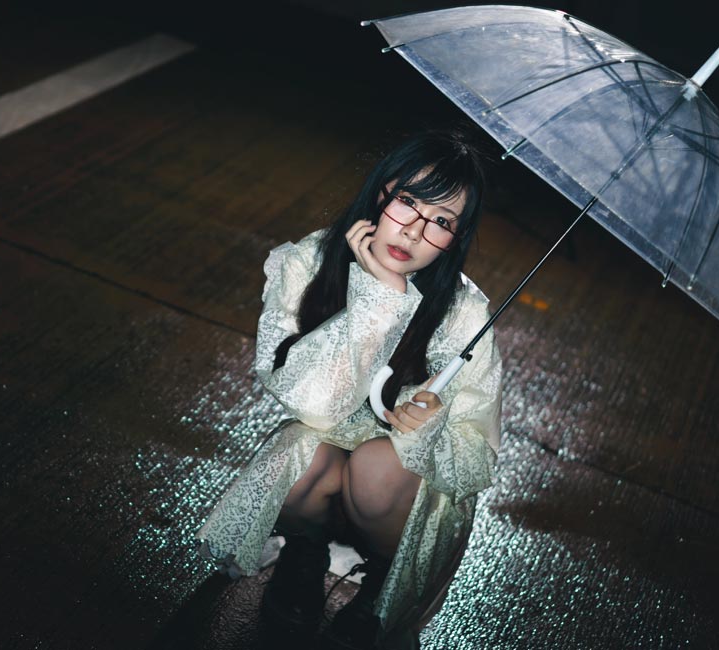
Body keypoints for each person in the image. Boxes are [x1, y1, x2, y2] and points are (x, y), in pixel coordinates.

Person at [196, 124, 503, 649]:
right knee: (302, 449)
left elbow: (478, 461)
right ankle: (304, 553)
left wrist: (426, 430)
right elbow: (308, 403)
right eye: (407, 202)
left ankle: (382, 590)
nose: (412, 232)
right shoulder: (306, 263)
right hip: (322, 471)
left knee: (376, 467)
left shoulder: (463, 313)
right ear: (380, 191)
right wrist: (380, 301)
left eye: (442, 221)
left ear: (458, 237)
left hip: (397, 499)